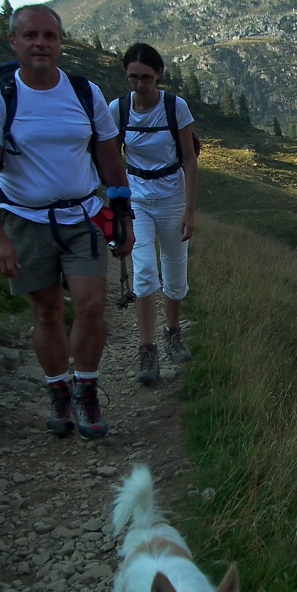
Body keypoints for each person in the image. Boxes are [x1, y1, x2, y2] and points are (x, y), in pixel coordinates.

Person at [0, 4, 133, 439]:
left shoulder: (84, 92)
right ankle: (58, 389)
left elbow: (109, 158)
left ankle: (87, 389)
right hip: (25, 220)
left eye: (50, 36)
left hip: (83, 216)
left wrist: (122, 215)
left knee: (91, 307)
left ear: (60, 43)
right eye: (31, 36)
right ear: (14, 42)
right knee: (46, 312)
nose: (41, 43)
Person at [109, 43, 198, 384]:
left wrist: (190, 210)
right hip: (137, 199)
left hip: (172, 196)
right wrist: (118, 210)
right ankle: (147, 350)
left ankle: (172, 331)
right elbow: (111, 157)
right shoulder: (117, 110)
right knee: (144, 271)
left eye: (146, 77)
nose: (139, 85)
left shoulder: (176, 108)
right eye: (133, 77)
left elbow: (189, 159)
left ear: (159, 73)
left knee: (175, 274)